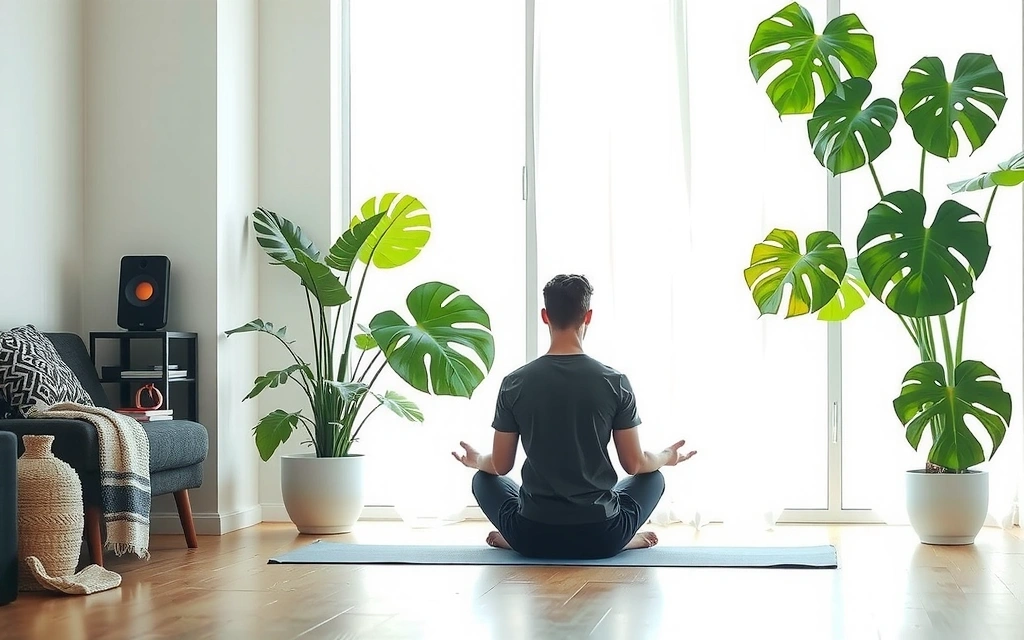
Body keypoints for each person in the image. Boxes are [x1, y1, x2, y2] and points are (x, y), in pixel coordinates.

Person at [452, 274, 696, 559]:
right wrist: (668, 456)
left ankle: (519, 542)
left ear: (545, 316)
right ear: (588, 316)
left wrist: (476, 460)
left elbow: (500, 465)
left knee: (483, 480)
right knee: (653, 479)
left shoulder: (514, 382)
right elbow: (635, 464)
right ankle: (622, 541)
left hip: (533, 532)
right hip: (601, 534)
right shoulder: (614, 381)